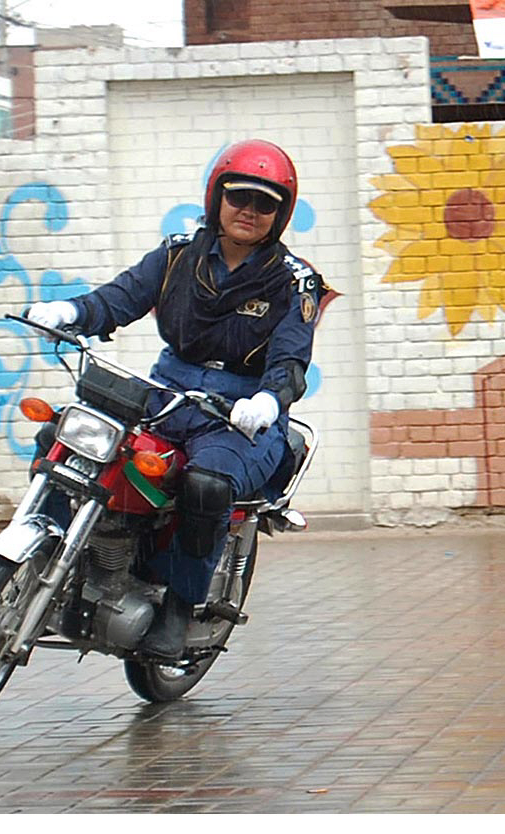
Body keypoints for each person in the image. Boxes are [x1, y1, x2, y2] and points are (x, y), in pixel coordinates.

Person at [27, 139, 326, 659]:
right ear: (217, 197)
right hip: (167, 396)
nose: (249, 212)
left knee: (206, 486)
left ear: (280, 213)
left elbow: (290, 362)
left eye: (265, 204)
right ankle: (49, 544)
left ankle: (179, 609)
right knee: (63, 435)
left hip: (239, 417)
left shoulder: (294, 282)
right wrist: (70, 312)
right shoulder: (176, 255)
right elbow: (119, 299)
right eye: (239, 197)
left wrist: (270, 402)